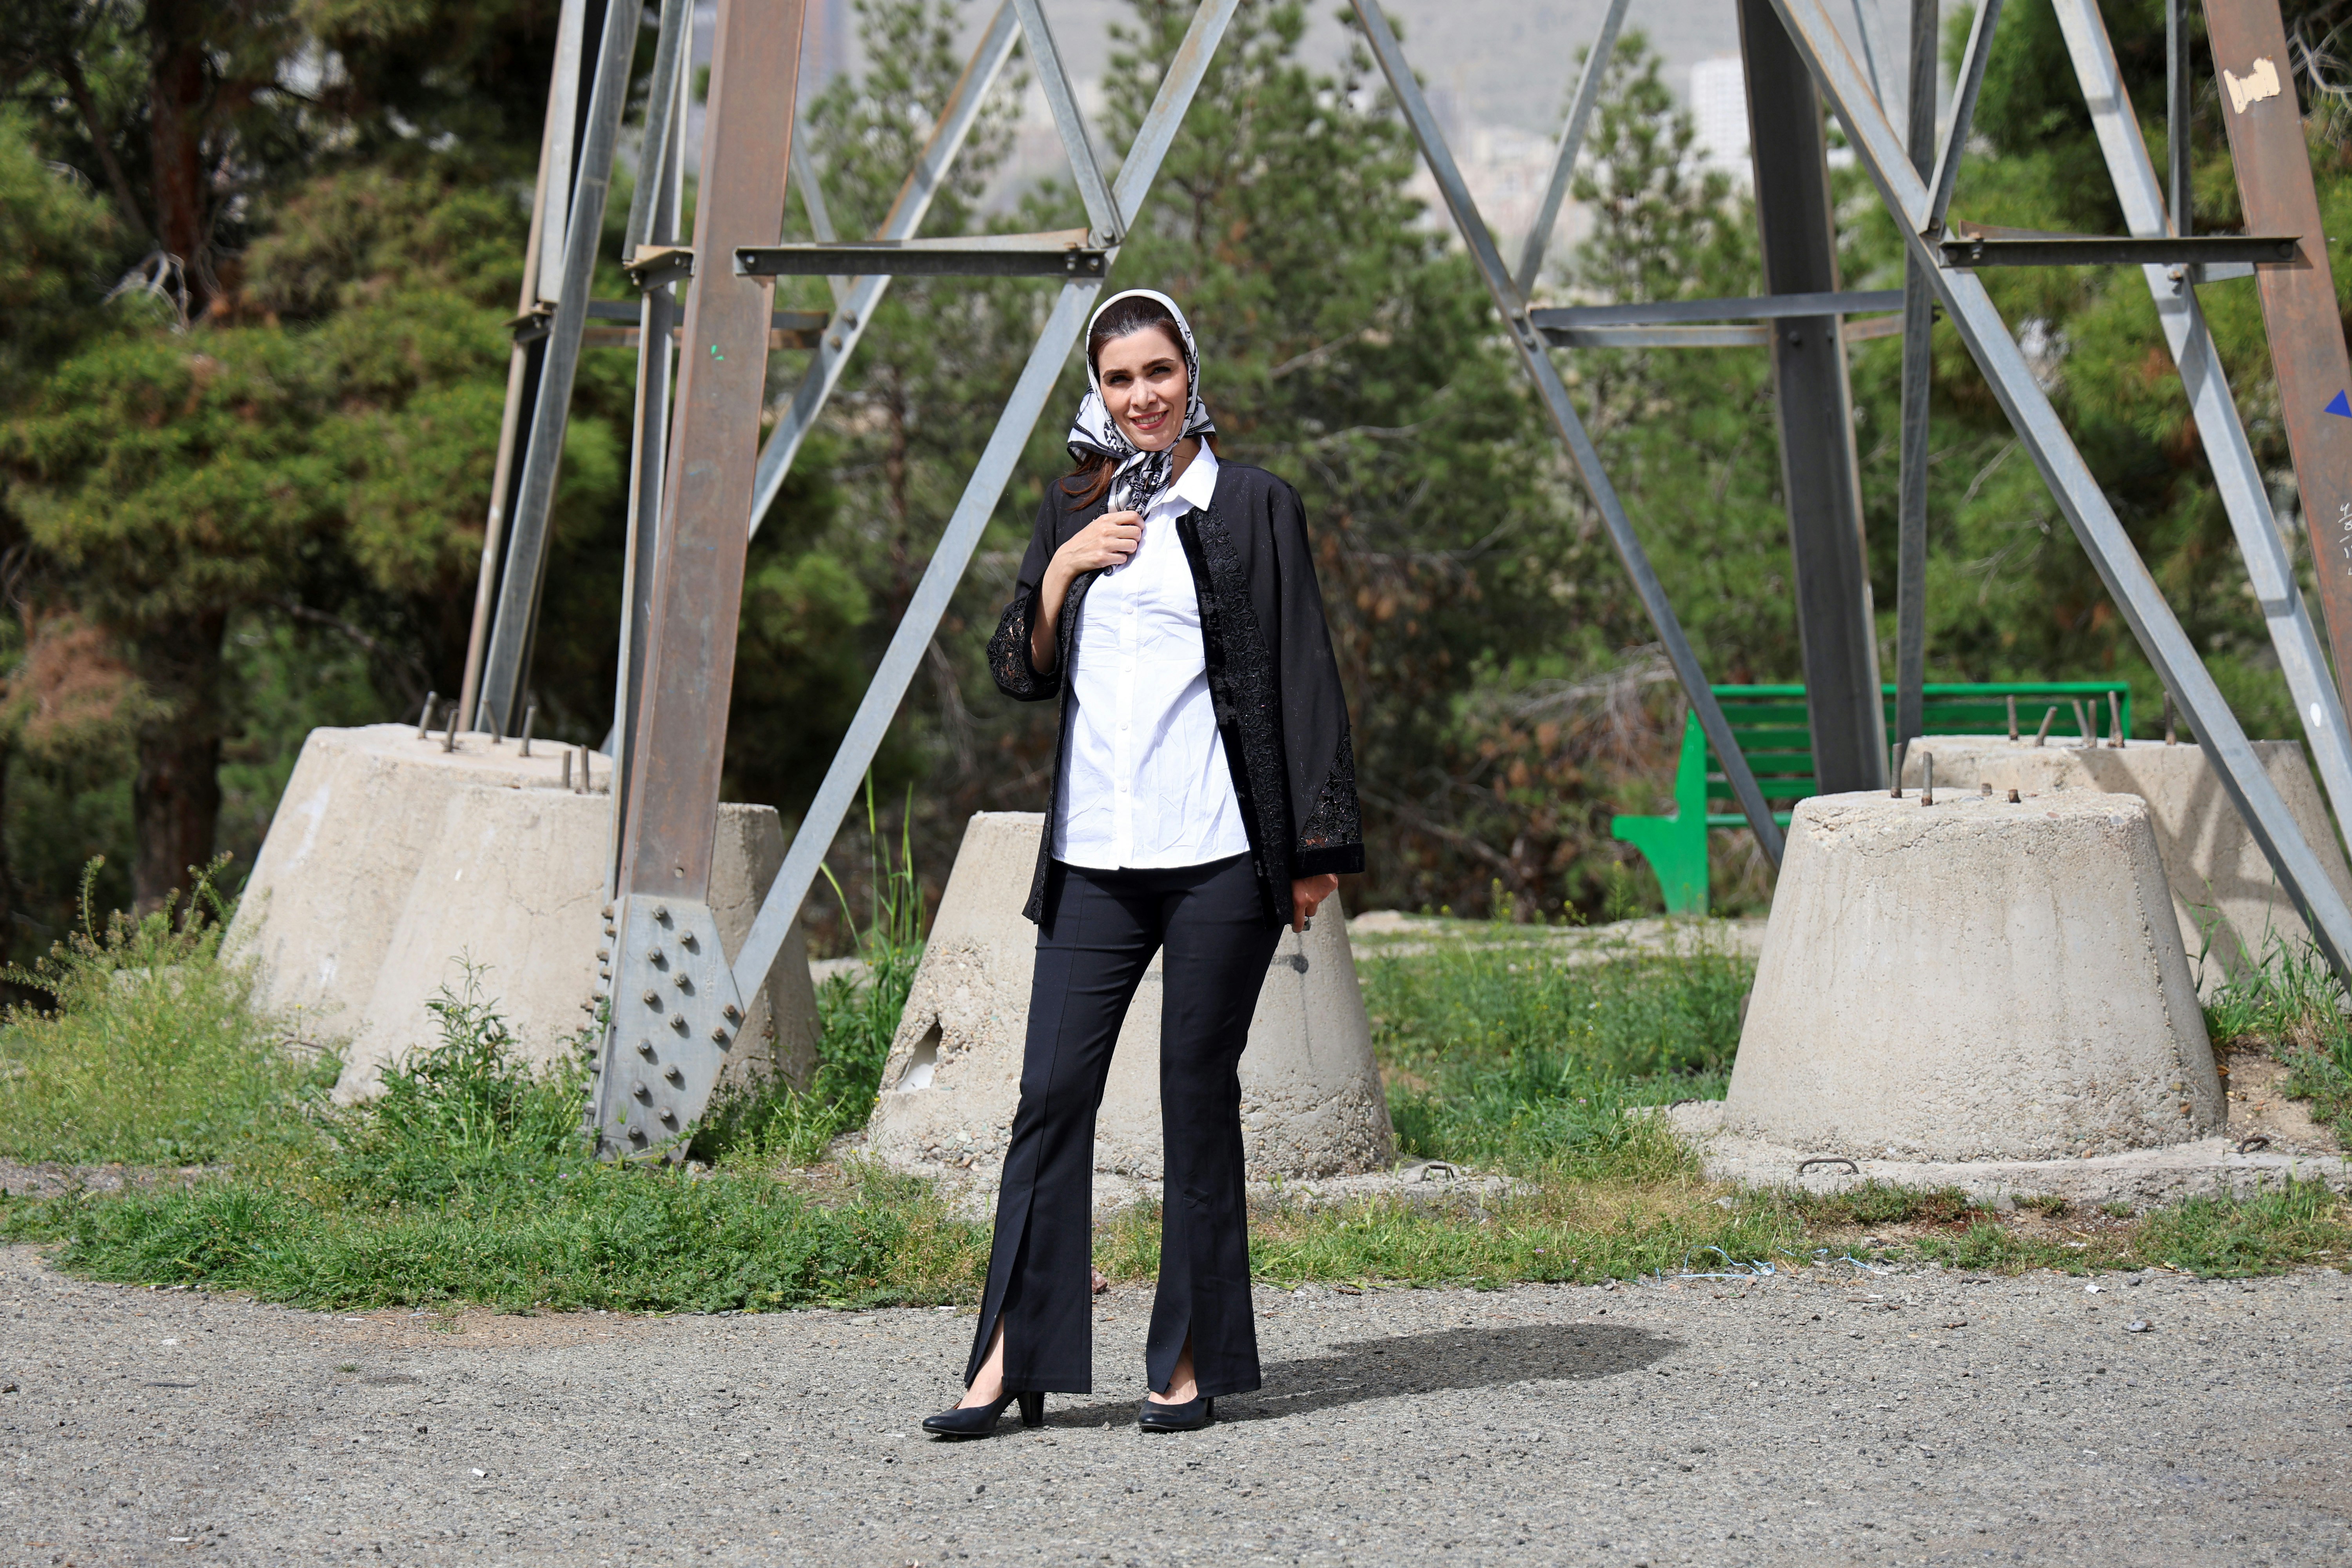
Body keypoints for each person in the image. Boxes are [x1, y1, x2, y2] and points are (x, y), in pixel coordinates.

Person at [921, 289, 1363, 1439]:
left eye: (1158, 373)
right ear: (1098, 391)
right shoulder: (1074, 505)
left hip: (1218, 855)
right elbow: (1022, 672)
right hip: (1096, 861)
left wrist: (1314, 853)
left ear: (1190, 372)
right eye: (1120, 380)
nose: (1142, 397)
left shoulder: (1254, 505)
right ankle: (1010, 1359)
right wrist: (1064, 569)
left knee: (1193, 1101)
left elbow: (1307, 673)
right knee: (1051, 1098)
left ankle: (1189, 1362)